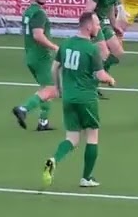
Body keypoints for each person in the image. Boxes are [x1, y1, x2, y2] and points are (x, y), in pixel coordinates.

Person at [42, 12, 116, 189]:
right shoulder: (91, 49)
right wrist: (110, 79)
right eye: (97, 24)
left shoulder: (66, 44)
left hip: (68, 98)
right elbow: (100, 75)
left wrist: (58, 88)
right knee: (92, 135)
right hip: (86, 99)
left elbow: (54, 68)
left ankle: (54, 160)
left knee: (72, 138)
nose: (98, 28)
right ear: (88, 26)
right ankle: (86, 178)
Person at [12, 0, 59, 131]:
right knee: (52, 89)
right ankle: (24, 108)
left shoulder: (28, 12)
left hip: (31, 56)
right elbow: (38, 36)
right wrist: (55, 47)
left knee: (46, 89)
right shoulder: (39, 13)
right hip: (40, 57)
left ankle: (43, 122)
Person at [84, 0, 128, 98]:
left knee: (118, 52)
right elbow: (87, 11)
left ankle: (98, 75)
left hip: (104, 24)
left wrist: (114, 25)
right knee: (103, 53)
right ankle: (91, 85)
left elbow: (110, 7)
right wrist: (90, 29)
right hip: (93, 26)